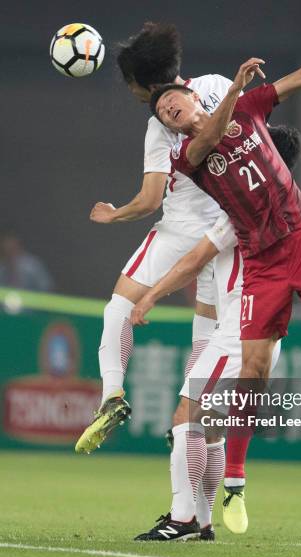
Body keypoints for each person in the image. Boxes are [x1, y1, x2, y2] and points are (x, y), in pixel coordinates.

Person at [132, 37, 301, 532]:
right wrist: (233, 86)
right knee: (251, 370)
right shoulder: (188, 155)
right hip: (262, 262)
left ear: (192, 97)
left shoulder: (251, 109)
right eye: (165, 114)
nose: (171, 111)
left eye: (175, 101)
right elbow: (209, 138)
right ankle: (235, 481)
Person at [132, 126, 301, 540]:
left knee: (185, 418)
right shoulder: (283, 205)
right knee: (207, 429)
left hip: (240, 335)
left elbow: (196, 258)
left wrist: (150, 294)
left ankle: (184, 517)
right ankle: (202, 523)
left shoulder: (248, 208)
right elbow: (211, 284)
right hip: (244, 333)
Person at [75, 22, 237, 453]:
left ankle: (111, 394)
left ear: (146, 85)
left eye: (130, 85)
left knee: (119, 308)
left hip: (180, 232)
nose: (131, 94)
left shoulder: (160, 123)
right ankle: (194, 420)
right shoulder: (219, 86)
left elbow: (149, 200)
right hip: (226, 236)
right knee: (205, 339)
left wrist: (115, 214)